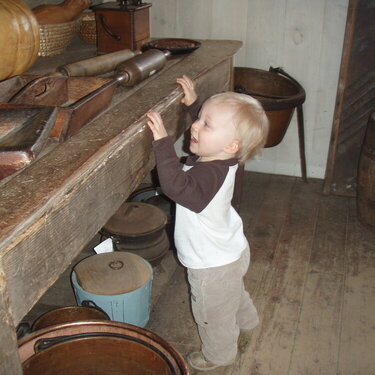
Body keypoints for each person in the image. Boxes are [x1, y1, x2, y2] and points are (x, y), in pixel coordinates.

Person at [146, 75, 269, 371]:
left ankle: (219, 354)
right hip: (231, 250)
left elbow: (177, 188)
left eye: (205, 124)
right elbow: (218, 132)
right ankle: (248, 318)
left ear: (231, 145)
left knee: (212, 314)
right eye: (199, 119)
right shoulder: (227, 158)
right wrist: (194, 105)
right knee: (233, 291)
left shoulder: (207, 175)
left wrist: (163, 143)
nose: (194, 126)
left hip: (211, 266)